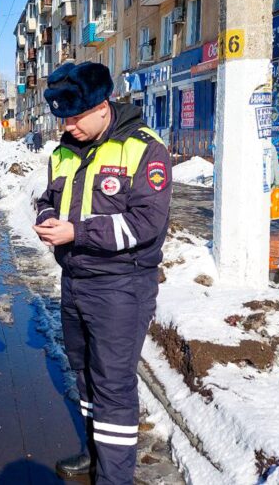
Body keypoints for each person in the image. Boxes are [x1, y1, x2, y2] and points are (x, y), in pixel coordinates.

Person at [32, 61, 172, 485]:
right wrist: (46, 218)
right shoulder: (63, 151)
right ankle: (94, 454)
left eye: (75, 117)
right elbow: (47, 197)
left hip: (120, 287)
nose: (68, 126)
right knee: (85, 375)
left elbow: (147, 224)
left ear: (102, 106)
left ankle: (115, 478)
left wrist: (76, 231)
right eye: (63, 118)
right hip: (74, 282)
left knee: (113, 385)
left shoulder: (145, 148)